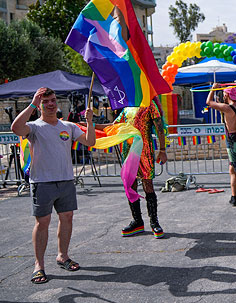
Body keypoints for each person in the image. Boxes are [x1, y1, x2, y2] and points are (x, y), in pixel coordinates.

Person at [11, 87, 96, 284]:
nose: (50, 104)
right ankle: (39, 265)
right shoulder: (34, 127)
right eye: (45, 101)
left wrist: (90, 122)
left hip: (65, 180)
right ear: (40, 105)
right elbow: (16, 128)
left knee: (67, 218)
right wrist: (32, 103)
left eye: (53, 100)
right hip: (42, 182)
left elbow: (90, 141)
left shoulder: (68, 126)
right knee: (43, 223)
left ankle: (62, 256)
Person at [95, 99, 167, 238]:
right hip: (128, 152)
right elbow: (113, 126)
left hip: (145, 152)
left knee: (148, 185)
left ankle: (154, 222)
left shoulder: (149, 105)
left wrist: (162, 150)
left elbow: (159, 127)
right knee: (130, 185)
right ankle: (137, 221)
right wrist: (90, 124)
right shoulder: (127, 108)